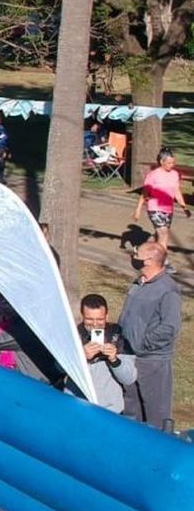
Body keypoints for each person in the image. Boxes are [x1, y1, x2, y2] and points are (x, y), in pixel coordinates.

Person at [119, 241, 182, 428]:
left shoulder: (168, 289)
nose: (133, 257)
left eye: (136, 254)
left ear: (149, 260)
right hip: (129, 356)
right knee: (131, 410)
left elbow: (170, 327)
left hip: (152, 362)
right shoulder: (139, 282)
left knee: (155, 415)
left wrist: (143, 345)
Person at [78, 293, 138, 414]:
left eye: (100, 319)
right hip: (78, 407)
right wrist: (81, 357)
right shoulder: (73, 335)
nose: (95, 324)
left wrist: (114, 360)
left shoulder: (118, 336)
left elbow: (129, 378)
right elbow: (58, 369)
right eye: (89, 319)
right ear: (82, 316)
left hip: (110, 411)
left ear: (106, 316)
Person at [132, 149, 189, 249]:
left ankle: (141, 250)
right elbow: (144, 194)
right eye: (169, 163)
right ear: (162, 162)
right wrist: (138, 210)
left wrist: (184, 207)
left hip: (168, 210)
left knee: (158, 235)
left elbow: (177, 192)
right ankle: (163, 260)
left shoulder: (175, 174)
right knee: (164, 234)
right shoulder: (153, 175)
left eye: (173, 162)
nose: (172, 165)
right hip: (155, 209)